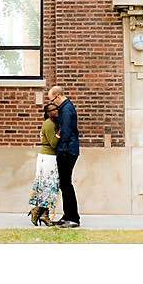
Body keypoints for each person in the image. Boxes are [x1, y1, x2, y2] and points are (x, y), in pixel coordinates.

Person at [48, 84, 81, 227]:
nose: (53, 104)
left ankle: (73, 219)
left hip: (67, 151)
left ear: (59, 96)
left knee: (66, 184)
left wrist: (62, 150)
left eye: (53, 101)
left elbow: (66, 132)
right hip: (69, 150)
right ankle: (68, 216)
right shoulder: (66, 108)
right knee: (65, 184)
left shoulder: (66, 110)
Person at [27, 102, 60, 226]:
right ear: (47, 113)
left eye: (56, 109)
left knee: (49, 187)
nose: (55, 111)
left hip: (49, 157)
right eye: (52, 110)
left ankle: (43, 214)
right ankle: (38, 212)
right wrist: (60, 132)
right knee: (48, 185)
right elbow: (53, 143)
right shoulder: (49, 124)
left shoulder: (52, 123)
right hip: (47, 158)